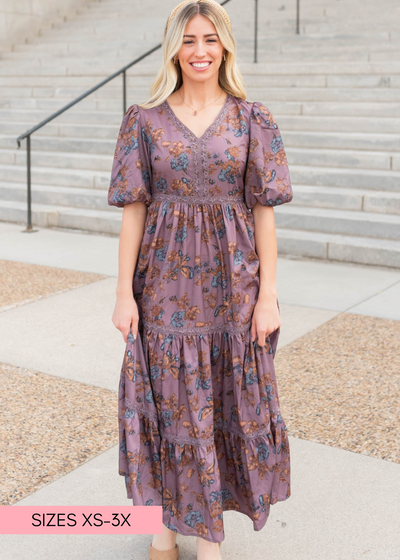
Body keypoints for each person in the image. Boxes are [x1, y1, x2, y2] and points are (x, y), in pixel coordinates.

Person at [108, 1, 293, 559]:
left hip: (231, 288)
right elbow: (133, 211)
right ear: (174, 49)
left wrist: (269, 296)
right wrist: (122, 294)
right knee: (165, 402)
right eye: (188, 40)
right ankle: (163, 528)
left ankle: (209, 535)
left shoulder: (251, 119)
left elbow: (264, 212)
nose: (200, 51)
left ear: (226, 46)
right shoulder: (144, 120)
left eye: (210, 39)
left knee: (220, 402)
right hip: (161, 285)